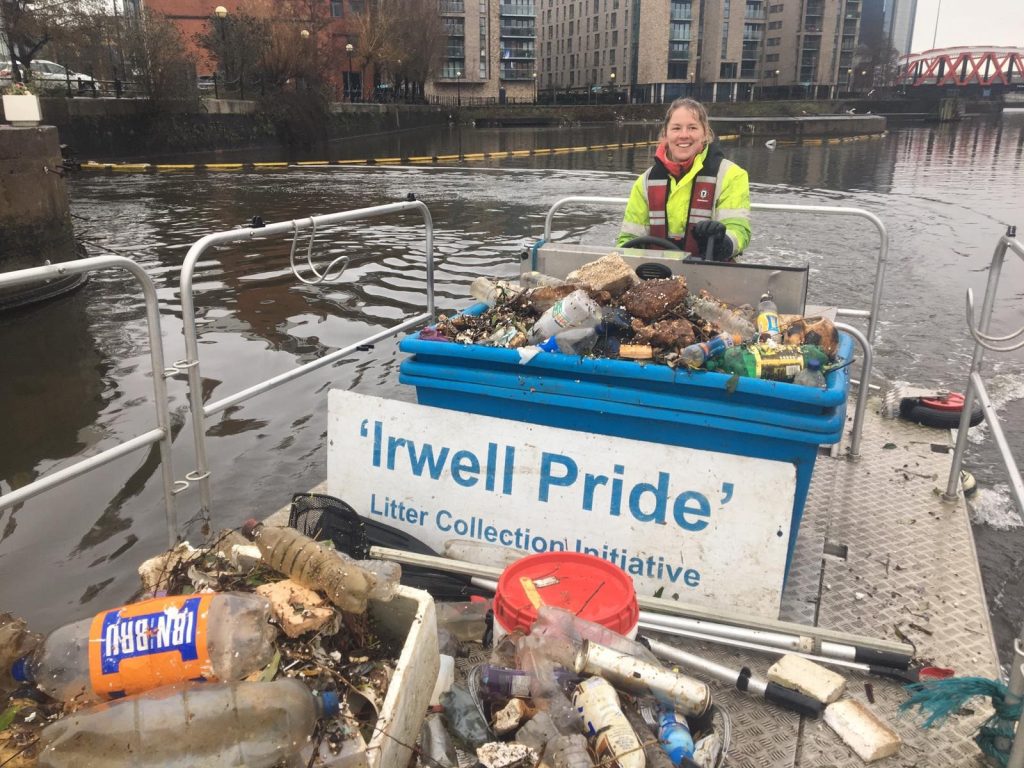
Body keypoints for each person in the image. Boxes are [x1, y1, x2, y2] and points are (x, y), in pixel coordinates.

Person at [617, 98, 751, 261]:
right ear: (665, 134)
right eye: (676, 128)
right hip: (656, 276)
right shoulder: (644, 182)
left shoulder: (732, 175)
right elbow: (628, 239)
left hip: (712, 274)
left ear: (705, 134)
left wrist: (722, 242)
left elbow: (739, 230)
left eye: (692, 128)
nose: (684, 135)